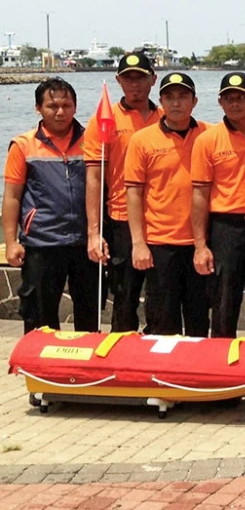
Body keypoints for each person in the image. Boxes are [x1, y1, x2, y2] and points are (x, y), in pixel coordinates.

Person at [4, 78, 97, 333]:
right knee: (39, 319)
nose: (60, 111)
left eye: (66, 105)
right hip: (42, 243)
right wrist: (11, 242)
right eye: (52, 105)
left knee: (89, 318)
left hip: (84, 244)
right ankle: (41, 372)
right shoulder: (23, 145)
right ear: (38, 108)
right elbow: (11, 197)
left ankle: (86, 371)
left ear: (75, 107)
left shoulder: (92, 141)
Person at [123, 73, 210, 336]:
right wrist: (139, 244)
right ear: (160, 101)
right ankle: (161, 376)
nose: (176, 103)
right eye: (169, 97)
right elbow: (134, 194)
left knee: (198, 320)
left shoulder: (209, 135)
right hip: (160, 244)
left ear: (194, 101)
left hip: (199, 244)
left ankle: (195, 375)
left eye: (183, 97)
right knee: (162, 322)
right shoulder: (142, 140)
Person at [190, 73, 245, 342]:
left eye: (241, 97)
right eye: (229, 98)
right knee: (224, 302)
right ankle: (220, 371)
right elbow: (200, 195)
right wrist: (201, 245)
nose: (235, 103)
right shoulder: (207, 140)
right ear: (220, 102)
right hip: (226, 229)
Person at [85, 52, 162, 333]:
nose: (135, 84)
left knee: (161, 298)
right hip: (121, 220)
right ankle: (120, 358)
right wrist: (94, 233)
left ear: (153, 79)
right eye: (128, 78)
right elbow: (94, 177)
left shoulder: (166, 116)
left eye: (140, 77)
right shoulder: (105, 121)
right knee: (125, 297)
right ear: (119, 81)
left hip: (162, 221)